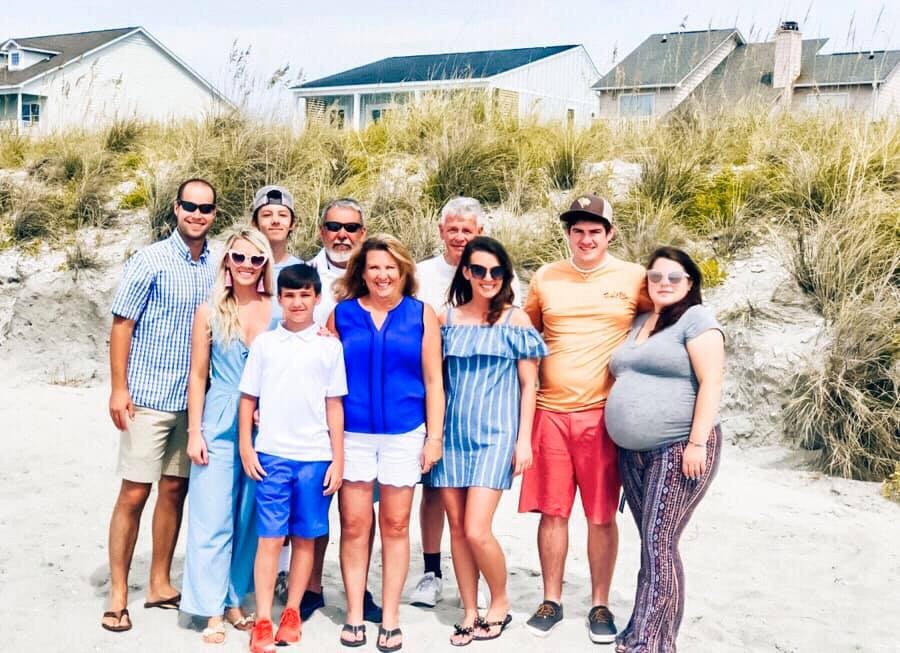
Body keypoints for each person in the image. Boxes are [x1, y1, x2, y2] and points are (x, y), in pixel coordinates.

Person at [518, 194, 652, 644]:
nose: (586, 239)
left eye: (595, 231)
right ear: (568, 234)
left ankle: (599, 604)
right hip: (550, 412)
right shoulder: (546, 276)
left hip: (603, 416)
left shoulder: (634, 277)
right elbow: (524, 330)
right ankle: (550, 600)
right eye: (578, 231)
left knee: (600, 515)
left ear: (610, 234)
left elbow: (663, 319)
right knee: (552, 512)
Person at [101, 178, 217, 633]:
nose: (197, 214)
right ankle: (117, 594)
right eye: (190, 206)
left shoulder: (217, 264)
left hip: (193, 403)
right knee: (134, 492)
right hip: (147, 398)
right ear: (176, 208)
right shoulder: (149, 260)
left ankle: (159, 583)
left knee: (174, 491)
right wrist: (118, 388)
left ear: (214, 214)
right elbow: (122, 325)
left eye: (205, 208)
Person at [427, 237, 547, 646]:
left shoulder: (516, 321)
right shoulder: (445, 319)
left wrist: (524, 441)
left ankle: (499, 601)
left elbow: (529, 386)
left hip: (496, 436)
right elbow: (432, 380)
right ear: (465, 272)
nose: (487, 278)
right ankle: (469, 610)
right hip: (451, 435)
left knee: (477, 529)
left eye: (496, 271)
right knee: (458, 530)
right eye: (478, 270)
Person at [605, 247, 725, 653]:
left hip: (677, 448)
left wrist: (696, 443)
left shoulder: (697, 319)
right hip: (634, 454)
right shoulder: (642, 322)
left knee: (659, 543)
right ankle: (641, 630)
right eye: (656, 276)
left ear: (690, 283)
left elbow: (711, 382)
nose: (664, 283)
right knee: (653, 544)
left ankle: (653, 642)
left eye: (674, 277)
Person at [328, 234, 444, 651]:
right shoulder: (342, 315)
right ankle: (355, 613)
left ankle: (390, 617)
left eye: (390, 267)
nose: (382, 275)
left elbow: (434, 381)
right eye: (374, 267)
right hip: (353, 435)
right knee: (354, 524)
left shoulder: (421, 314)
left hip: (405, 433)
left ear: (403, 271)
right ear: (361, 272)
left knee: (396, 525)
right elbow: (323, 378)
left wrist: (434, 438)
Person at [411, 197, 522, 609]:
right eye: (453, 229)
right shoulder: (421, 274)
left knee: (473, 522)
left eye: (467, 230)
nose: (459, 236)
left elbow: (520, 366)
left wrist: (520, 435)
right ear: (441, 231)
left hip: (487, 417)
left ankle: (487, 594)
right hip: (434, 399)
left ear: (480, 233)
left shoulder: (504, 285)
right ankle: (432, 572)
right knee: (433, 495)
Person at [276, 197, 381, 623]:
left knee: (360, 511)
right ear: (321, 231)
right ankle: (310, 587)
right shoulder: (303, 276)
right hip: (310, 412)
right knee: (313, 503)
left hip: (365, 410)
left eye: (351, 228)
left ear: (362, 233)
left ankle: (360, 588)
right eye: (334, 226)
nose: (342, 235)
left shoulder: (376, 276)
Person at [238, 263, 348, 652]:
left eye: (305, 295)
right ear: (279, 299)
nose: (298, 302)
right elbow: (248, 398)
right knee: (270, 538)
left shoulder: (329, 347)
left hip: (316, 458)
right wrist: (246, 445)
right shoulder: (266, 344)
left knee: (305, 538)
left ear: (317, 298)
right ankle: (263, 618)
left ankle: (292, 611)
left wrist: (338, 459)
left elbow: (334, 406)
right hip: (271, 455)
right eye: (290, 295)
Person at [180, 228, 275, 643]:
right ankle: (210, 609)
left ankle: (234, 600)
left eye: (256, 259)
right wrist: (194, 431)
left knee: (249, 517)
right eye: (239, 257)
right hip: (218, 417)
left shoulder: (277, 309)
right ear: (227, 262)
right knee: (211, 515)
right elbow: (198, 375)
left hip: (265, 422)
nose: (247, 266)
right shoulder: (209, 311)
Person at [249, 185, 302, 326]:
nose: (275, 221)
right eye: (267, 215)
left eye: (283, 215)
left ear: (293, 224)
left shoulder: (302, 271)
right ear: (254, 224)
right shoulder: (242, 268)